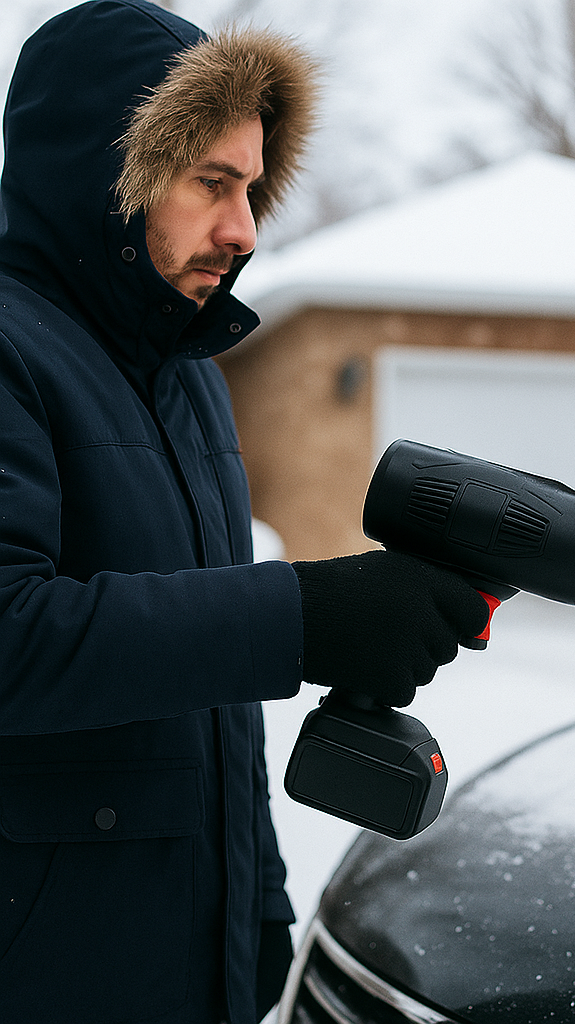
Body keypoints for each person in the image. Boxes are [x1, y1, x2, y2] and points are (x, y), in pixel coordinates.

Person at [0, 2, 489, 1022]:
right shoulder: (12, 352)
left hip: (191, 956)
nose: (244, 229)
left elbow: (206, 702)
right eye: (211, 183)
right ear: (107, 178)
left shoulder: (190, 383)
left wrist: (254, 903)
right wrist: (308, 616)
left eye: (252, 185)